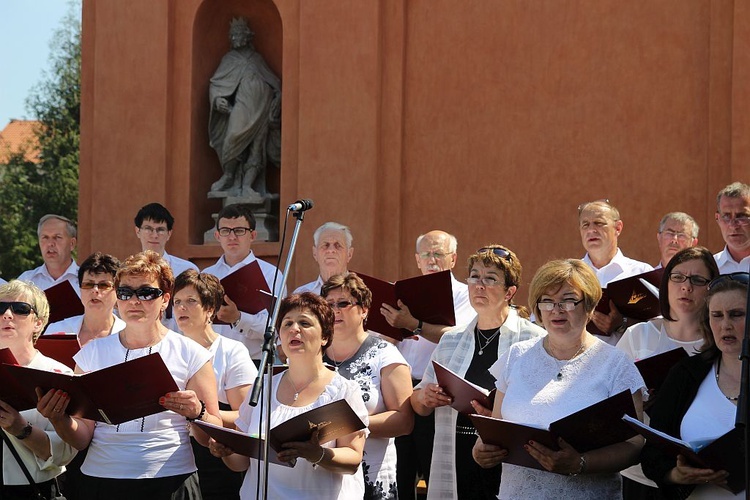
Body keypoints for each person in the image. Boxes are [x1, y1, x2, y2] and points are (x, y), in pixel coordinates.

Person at [40, 251, 223, 499]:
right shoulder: (92, 353)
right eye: (125, 293)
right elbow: (82, 438)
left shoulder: (191, 353)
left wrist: (197, 413)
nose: (134, 301)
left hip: (170, 478)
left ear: (165, 299)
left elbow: (211, 433)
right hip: (101, 478)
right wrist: (59, 419)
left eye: (146, 293)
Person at [473, 259, 645, 499]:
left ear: (589, 306)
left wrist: (581, 463)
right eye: (547, 301)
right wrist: (481, 450)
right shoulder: (517, 355)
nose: (556, 309)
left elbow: (635, 445)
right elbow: (497, 425)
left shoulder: (616, 364)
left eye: (568, 300)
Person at [411, 245, 545, 499]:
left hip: (507, 456)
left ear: (510, 292)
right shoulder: (451, 340)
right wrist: (426, 396)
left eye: (490, 278)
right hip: (456, 453)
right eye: (474, 276)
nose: (479, 285)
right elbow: (417, 403)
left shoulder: (534, 338)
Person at [209, 292, 369, 499]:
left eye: (305, 323)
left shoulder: (344, 390)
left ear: (325, 337)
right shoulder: (263, 386)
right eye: (287, 324)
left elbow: (353, 459)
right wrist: (226, 451)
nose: (294, 329)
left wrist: (317, 454)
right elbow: (241, 463)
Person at [616, 246, 718, 498]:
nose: (686, 286)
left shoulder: (721, 342)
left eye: (697, 279)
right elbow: (609, 398)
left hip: (699, 473)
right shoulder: (639, 335)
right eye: (678, 277)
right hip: (638, 471)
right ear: (666, 283)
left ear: (712, 288)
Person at [381, 230, 476, 500]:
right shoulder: (400, 292)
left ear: (453, 258)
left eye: (438, 254)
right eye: (426, 254)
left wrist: (413, 325)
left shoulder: (463, 294)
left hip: (435, 392)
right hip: (398, 391)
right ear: (417, 259)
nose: (431, 260)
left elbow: (458, 337)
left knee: (433, 473)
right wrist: (389, 330)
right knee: (399, 472)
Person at [641, 272, 747, 499]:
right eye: (716, 315)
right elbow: (652, 454)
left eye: (737, 314)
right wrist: (676, 475)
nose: (725, 324)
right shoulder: (686, 374)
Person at [320, 273, 413, 499]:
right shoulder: (313, 354)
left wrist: (344, 426)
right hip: (321, 475)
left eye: (343, 303)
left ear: (364, 310)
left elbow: (404, 420)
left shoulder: (385, 354)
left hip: (370, 476)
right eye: (329, 304)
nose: (335, 310)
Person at [173, 270, 256, 500]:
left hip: (215, 454)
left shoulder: (231, 351)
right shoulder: (167, 348)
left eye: (191, 301)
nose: (181, 308)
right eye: (177, 302)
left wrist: (204, 414)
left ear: (210, 309)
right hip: (171, 455)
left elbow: (246, 415)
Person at [0, 280, 77, 499]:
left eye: (20, 309)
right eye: (0, 308)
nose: (7, 314)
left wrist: (22, 429)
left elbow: (65, 453)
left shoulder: (58, 375)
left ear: (38, 323)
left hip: (31, 489)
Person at [208, 17, 281, 198]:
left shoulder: (257, 59)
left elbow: (275, 82)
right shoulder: (229, 59)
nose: (234, 38)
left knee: (257, 149)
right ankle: (229, 175)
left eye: (238, 34)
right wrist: (217, 100)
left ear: (247, 36)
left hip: (262, 108)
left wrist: (276, 99)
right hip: (242, 107)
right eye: (232, 35)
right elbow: (215, 84)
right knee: (232, 138)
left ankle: (248, 186)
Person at [203, 203, 286, 358]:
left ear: (253, 235)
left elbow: (277, 326)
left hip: (253, 362)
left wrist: (238, 318)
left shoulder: (271, 275)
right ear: (217, 236)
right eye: (226, 231)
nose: (232, 237)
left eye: (239, 231)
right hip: (212, 361)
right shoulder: (207, 275)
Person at [578, 200, 653, 344]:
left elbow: (659, 328)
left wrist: (622, 323)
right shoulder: (568, 275)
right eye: (585, 225)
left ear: (618, 228)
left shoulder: (641, 273)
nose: (591, 230)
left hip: (627, 362)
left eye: (599, 223)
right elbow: (539, 321)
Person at [44, 252, 125, 344]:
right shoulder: (56, 331)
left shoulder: (128, 334)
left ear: (117, 290)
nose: (95, 290)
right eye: (88, 284)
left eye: (103, 285)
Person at [17, 214, 79, 294]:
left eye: (57, 237)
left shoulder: (87, 282)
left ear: (72, 244)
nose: (50, 243)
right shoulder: (26, 281)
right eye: (45, 237)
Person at [134, 202, 199, 278]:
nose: (155, 235)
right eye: (148, 229)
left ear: (169, 234)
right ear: (138, 231)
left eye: (160, 230)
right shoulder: (128, 271)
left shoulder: (186, 270)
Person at [294, 222, 354, 295]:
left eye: (338, 245)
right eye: (325, 245)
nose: (331, 250)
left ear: (349, 254)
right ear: (315, 253)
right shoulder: (301, 294)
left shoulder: (363, 292)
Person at [713, 182, 750, 273]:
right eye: (726, 216)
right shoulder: (710, 268)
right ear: (717, 218)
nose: (733, 225)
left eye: (741, 216)